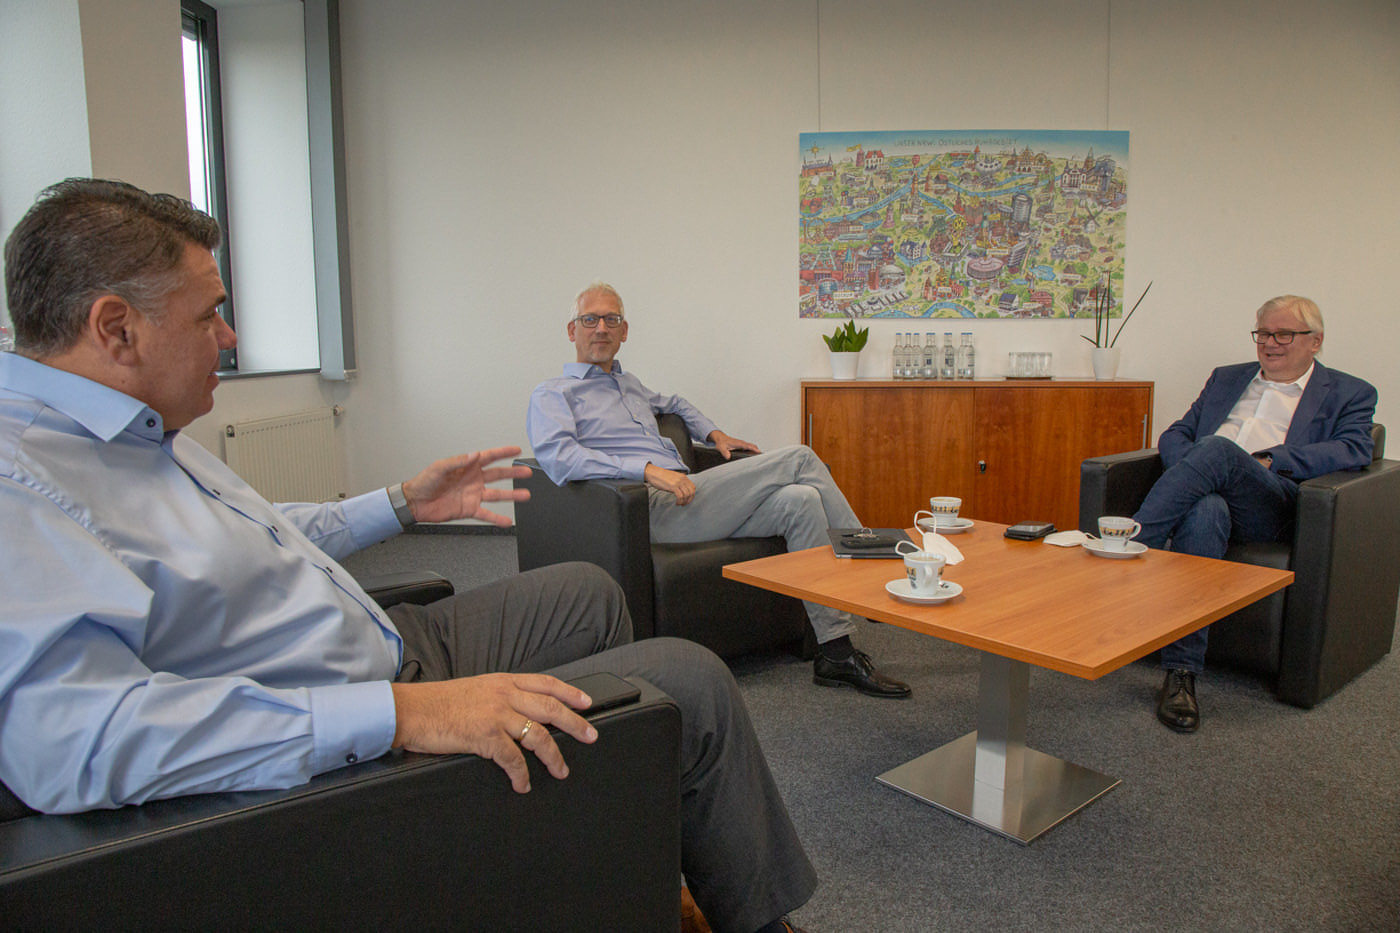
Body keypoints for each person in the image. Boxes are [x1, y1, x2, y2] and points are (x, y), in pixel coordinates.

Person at [0, 179, 816, 933]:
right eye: (209, 313)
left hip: (389, 641)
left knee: (587, 593)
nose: (229, 334)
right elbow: (76, 743)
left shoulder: (142, 433)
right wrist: (404, 715)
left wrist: (399, 505)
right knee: (692, 680)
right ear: (116, 328)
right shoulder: (25, 485)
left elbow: (260, 531)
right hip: (363, 712)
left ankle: (609, 824)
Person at [527, 281, 911, 700]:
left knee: (801, 502)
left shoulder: (630, 384)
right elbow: (559, 458)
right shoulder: (553, 393)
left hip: (691, 496)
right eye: (590, 319)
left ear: (624, 331)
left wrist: (716, 433)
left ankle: (835, 653)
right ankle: (875, 576)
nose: (600, 327)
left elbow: (675, 403)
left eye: (611, 319)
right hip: (643, 508)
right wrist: (646, 469)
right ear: (572, 330)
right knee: (799, 457)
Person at [1135, 295, 1376, 733]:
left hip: (1273, 500)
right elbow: (1177, 433)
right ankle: (1182, 674)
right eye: (1263, 333)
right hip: (1211, 493)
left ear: (1315, 341)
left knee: (1218, 449)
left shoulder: (1350, 391)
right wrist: (1196, 471)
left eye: (1284, 334)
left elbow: (1355, 448)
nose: (1270, 343)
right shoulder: (1227, 378)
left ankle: (1132, 543)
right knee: (1205, 510)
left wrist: (1274, 460)